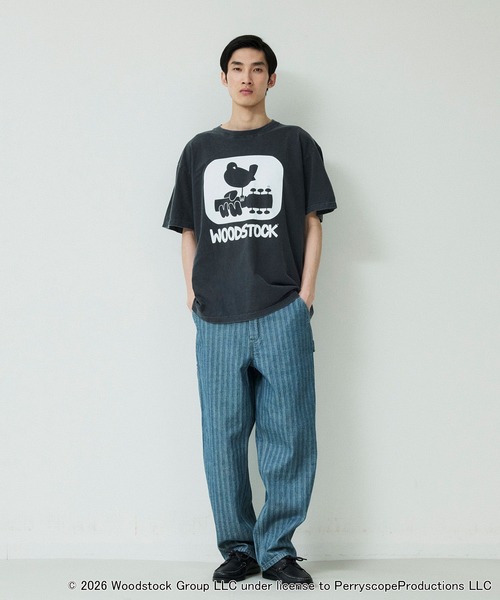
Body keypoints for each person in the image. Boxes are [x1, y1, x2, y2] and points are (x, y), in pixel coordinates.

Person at [163, 34, 336, 584]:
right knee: (223, 438)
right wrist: (192, 294)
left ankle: (277, 549)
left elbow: (312, 222)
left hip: (282, 310)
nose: (246, 77)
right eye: (236, 68)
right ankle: (238, 547)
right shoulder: (199, 150)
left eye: (257, 69)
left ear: (271, 79)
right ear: (224, 78)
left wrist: (304, 298)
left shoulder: (296, 143)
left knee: (291, 434)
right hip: (216, 316)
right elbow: (188, 229)